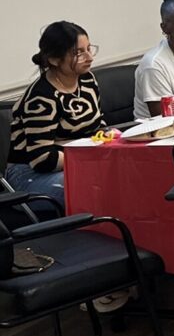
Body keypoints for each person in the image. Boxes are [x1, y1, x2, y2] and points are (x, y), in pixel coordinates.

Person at [7, 22, 104, 208]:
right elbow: (42, 159)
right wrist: (88, 153)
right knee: (91, 187)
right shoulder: (41, 97)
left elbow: (96, 126)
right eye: (78, 53)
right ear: (54, 59)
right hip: (30, 175)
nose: (89, 57)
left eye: (89, 49)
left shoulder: (87, 80)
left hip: (77, 162)